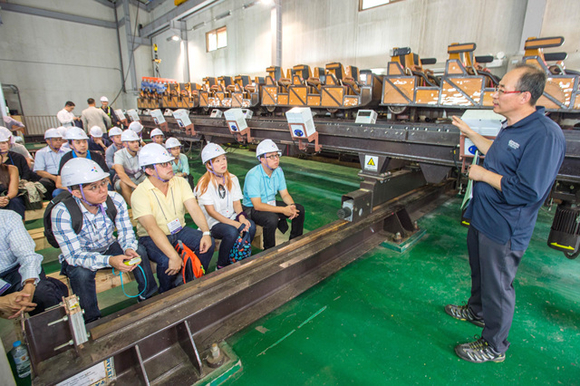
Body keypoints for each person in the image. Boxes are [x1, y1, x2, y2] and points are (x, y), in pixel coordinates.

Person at [446, 63, 566, 363]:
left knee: (498, 286)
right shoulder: (511, 125)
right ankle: (476, 311)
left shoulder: (544, 135)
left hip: (506, 227)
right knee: (480, 272)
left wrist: (482, 175)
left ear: (524, 96)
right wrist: (470, 133)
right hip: (484, 217)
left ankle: (494, 345)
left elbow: (529, 190)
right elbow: (497, 153)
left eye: (502, 89)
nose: (495, 94)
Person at [51, 158, 158, 323]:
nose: (102, 190)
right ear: (77, 192)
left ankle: (148, 295)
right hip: (82, 253)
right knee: (80, 273)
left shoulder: (114, 200)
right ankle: (92, 320)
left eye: (103, 183)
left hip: (108, 245)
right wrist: (109, 261)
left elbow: (125, 231)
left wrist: (128, 247)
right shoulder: (62, 212)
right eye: (93, 187)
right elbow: (74, 256)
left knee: (139, 251)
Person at [131, 143, 215, 293]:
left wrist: (206, 233)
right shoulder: (140, 193)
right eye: (163, 165)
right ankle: (167, 293)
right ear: (149, 170)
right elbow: (151, 228)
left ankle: (193, 280)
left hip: (179, 230)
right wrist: (173, 256)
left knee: (207, 244)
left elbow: (194, 209)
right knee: (166, 261)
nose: (170, 167)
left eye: (169, 163)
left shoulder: (180, 182)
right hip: (151, 237)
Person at [196, 143, 256, 269]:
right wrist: (235, 224)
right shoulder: (204, 184)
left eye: (224, 159)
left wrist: (241, 217)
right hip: (213, 222)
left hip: (231, 216)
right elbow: (211, 212)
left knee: (250, 226)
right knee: (231, 232)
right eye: (217, 161)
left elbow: (236, 203)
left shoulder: (232, 178)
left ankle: (238, 256)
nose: (223, 163)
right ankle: (222, 265)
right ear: (208, 165)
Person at [0, 209, 67, 319]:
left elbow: (27, 255)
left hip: (15, 269)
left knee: (42, 292)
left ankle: (55, 333)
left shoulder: (8, 217)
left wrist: (29, 286)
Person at [242, 139, 305, 250]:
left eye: (277, 155)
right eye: (271, 156)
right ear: (261, 159)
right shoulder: (253, 175)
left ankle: (295, 242)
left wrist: (291, 206)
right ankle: (269, 250)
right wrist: (283, 210)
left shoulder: (278, 171)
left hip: (269, 203)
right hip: (252, 209)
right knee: (271, 219)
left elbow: (284, 194)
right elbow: (257, 205)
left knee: (299, 209)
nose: (276, 159)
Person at [33, 128, 69, 198]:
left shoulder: (67, 151)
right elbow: (39, 171)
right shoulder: (41, 153)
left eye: (60, 139)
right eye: (55, 140)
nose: (59, 142)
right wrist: (55, 178)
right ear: (48, 141)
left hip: (65, 176)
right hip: (50, 177)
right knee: (43, 183)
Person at [113, 130, 146, 205]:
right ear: (125, 144)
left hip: (140, 177)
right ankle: (133, 207)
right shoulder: (119, 154)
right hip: (126, 179)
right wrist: (135, 186)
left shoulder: (142, 151)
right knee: (123, 183)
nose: (136, 144)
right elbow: (121, 173)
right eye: (132, 142)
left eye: (137, 141)